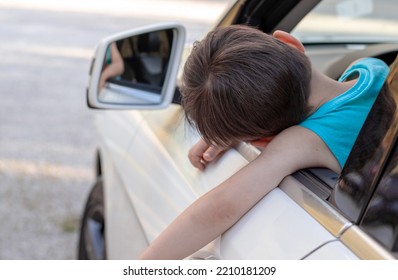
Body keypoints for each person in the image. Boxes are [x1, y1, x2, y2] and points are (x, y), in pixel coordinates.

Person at [138, 24, 390, 259]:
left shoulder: (301, 142)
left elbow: (220, 209)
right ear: (289, 42)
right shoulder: (373, 68)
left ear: (262, 141)